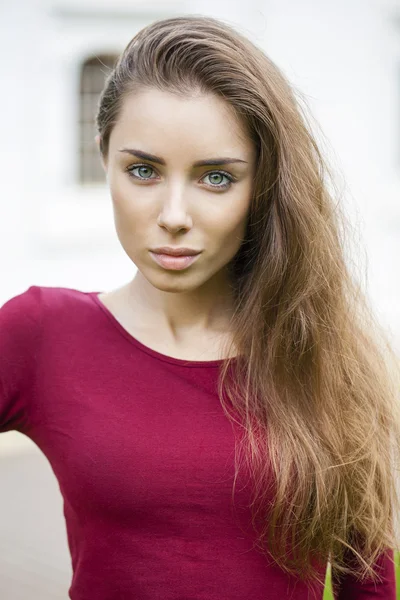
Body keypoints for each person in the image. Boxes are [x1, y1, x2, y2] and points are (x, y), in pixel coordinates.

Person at [1, 14, 399, 600]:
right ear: (103, 157)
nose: (174, 215)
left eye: (215, 177)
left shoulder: (321, 352)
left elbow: (369, 580)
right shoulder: (42, 334)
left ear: (263, 183)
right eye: (143, 170)